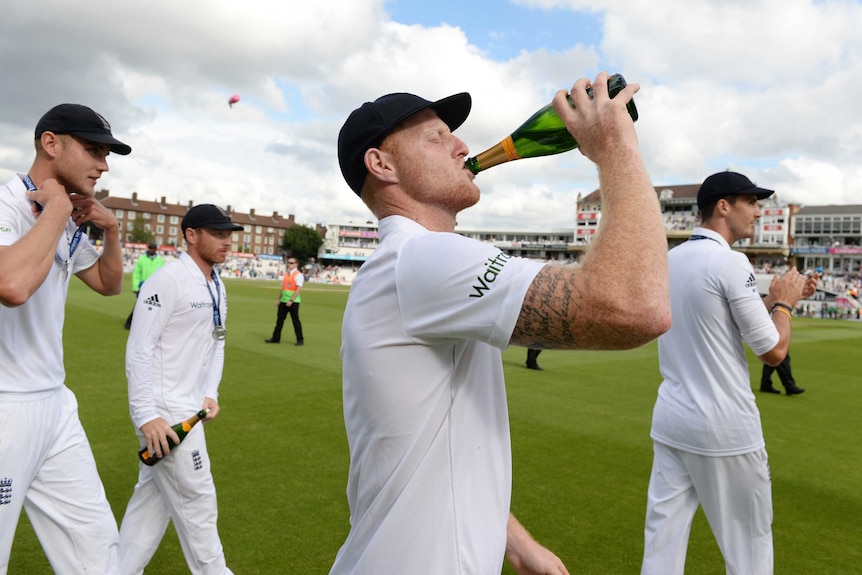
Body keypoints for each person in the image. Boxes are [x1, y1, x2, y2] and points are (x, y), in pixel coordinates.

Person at [331, 72, 671, 574]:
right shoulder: (423, 260)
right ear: (381, 165)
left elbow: (436, 438)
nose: (461, 146)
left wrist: (512, 541)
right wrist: (617, 151)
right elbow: (636, 306)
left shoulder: (408, 264)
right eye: (437, 137)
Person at [641, 171, 818, 575]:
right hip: (724, 428)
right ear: (724, 206)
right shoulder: (731, 262)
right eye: (750, 202)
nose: (757, 211)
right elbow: (773, 351)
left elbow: (717, 314)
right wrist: (784, 305)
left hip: (672, 421)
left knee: (662, 545)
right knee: (750, 548)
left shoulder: (670, 259)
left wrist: (779, 299)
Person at [0, 103, 131, 573]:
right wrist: (56, 206)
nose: (104, 164)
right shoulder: (6, 204)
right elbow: (11, 285)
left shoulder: (68, 221)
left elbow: (108, 283)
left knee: (99, 555)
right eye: (93, 150)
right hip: (5, 407)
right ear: (50, 143)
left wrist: (110, 230)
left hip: (55, 404)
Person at [118, 204, 242, 575]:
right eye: (218, 234)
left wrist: (211, 392)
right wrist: (146, 416)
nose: (226, 242)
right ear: (191, 235)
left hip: (191, 407)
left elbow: (217, 341)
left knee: (150, 508)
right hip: (165, 413)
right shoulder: (167, 281)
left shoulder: (216, 284)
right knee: (199, 505)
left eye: (228, 235)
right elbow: (139, 349)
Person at [124, 242, 165, 329]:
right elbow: (136, 273)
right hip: (143, 285)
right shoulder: (142, 259)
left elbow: (163, 274)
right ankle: (129, 323)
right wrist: (135, 286)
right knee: (140, 305)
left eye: (153, 248)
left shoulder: (159, 260)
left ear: (155, 249)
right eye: (150, 248)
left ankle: (150, 324)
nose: (151, 250)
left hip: (155, 287)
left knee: (154, 306)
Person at [264, 256, 304, 345]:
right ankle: (276, 338)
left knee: (295, 321)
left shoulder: (298, 275)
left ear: (296, 264)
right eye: (288, 263)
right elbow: (283, 288)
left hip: (293, 302)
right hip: (283, 300)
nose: (289, 264)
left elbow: (298, 289)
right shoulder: (286, 274)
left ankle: (300, 339)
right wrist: (278, 299)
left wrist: (291, 300)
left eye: (291, 263)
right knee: (279, 320)